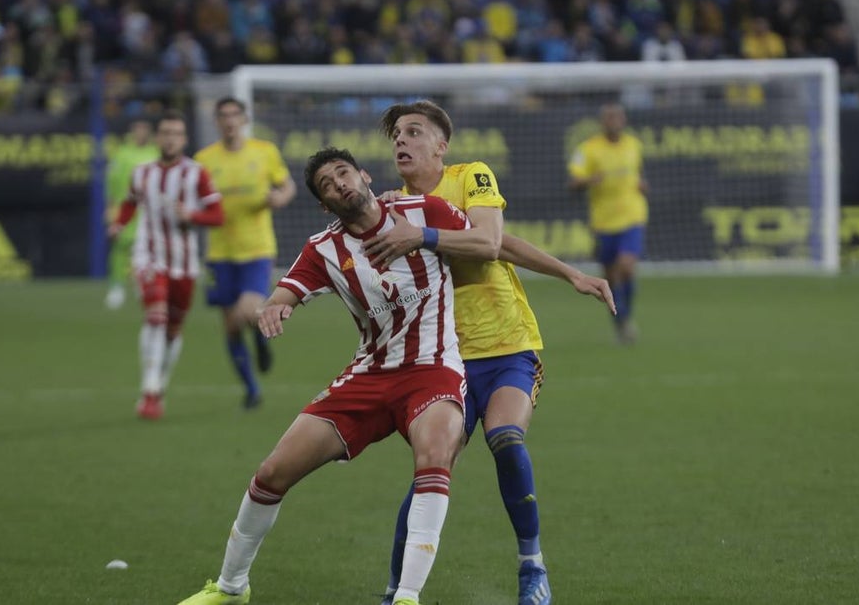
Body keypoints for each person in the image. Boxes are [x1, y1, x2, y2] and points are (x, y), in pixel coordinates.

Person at [176, 147, 481, 605]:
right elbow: (285, 293)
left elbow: (488, 243)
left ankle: (407, 597)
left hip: (433, 369)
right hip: (370, 376)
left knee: (435, 455)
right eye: (327, 184)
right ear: (324, 204)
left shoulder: (424, 210)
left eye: (343, 173)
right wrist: (275, 308)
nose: (339, 183)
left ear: (363, 176)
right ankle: (231, 588)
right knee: (272, 473)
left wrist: (424, 237)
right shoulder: (325, 248)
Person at [363, 100, 615, 605]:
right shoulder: (395, 210)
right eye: (396, 135)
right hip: (445, 361)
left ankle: (532, 567)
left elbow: (490, 241)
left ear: (441, 144)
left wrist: (572, 276)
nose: (402, 141)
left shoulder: (470, 177)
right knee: (432, 466)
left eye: (414, 132)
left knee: (505, 435)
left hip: (507, 344)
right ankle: (394, 590)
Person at [107, 111, 224, 420]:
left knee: (173, 329)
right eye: (165, 132)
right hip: (149, 255)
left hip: (184, 264)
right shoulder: (141, 172)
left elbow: (217, 215)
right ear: (158, 138)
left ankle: (159, 387)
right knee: (155, 317)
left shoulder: (196, 174)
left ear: (184, 140)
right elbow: (131, 202)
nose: (170, 138)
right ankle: (148, 392)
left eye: (176, 133)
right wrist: (119, 224)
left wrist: (192, 216)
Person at [195, 97, 295, 409]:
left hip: (256, 248)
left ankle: (262, 339)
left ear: (244, 119)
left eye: (234, 115)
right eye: (223, 116)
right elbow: (195, 199)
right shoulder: (204, 159)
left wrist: (279, 197)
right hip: (220, 251)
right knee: (230, 324)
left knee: (247, 308)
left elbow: (287, 185)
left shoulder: (264, 152)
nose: (229, 121)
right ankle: (252, 390)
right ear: (216, 121)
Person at [568, 102, 649, 344]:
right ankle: (620, 321)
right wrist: (589, 180)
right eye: (609, 117)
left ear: (623, 120)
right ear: (602, 122)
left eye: (618, 117)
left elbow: (636, 174)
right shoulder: (588, 149)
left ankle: (626, 319)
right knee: (610, 278)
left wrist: (642, 185)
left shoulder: (634, 145)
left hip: (633, 215)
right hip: (603, 222)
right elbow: (573, 182)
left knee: (626, 267)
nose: (614, 121)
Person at [103, 117, 157, 310]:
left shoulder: (155, 153)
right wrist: (109, 205)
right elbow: (112, 181)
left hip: (150, 210)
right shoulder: (121, 153)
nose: (140, 132)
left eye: (144, 128)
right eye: (137, 128)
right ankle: (116, 287)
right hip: (124, 207)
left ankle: (142, 284)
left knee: (147, 250)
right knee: (120, 247)